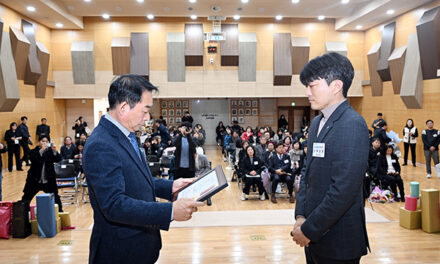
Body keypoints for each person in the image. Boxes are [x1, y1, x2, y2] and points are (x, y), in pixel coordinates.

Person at [83, 74, 203, 264]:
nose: (148, 118)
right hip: (119, 253)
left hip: (139, 248)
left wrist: (170, 186)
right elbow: (114, 205)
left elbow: (134, 179)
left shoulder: (126, 135)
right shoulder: (101, 144)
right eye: (145, 111)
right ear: (123, 107)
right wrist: (170, 211)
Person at [293, 52, 369, 264]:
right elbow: (308, 173)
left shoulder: (352, 124)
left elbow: (343, 190)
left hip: (339, 241)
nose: (307, 92)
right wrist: (300, 216)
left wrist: (309, 229)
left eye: (312, 86)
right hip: (312, 233)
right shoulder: (317, 123)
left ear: (336, 86)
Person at [22, 135, 63, 212]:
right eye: (43, 141)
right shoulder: (33, 152)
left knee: (56, 199)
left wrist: (54, 151)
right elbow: (35, 160)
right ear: (38, 142)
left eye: (47, 141)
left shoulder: (50, 151)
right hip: (34, 181)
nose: (45, 143)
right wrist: (42, 151)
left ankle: (61, 216)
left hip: (48, 181)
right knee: (26, 199)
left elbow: (58, 159)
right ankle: (24, 218)